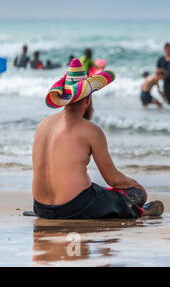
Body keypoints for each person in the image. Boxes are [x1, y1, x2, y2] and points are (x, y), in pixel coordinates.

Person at [33, 58, 163, 219]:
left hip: (40, 207)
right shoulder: (91, 130)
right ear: (87, 99)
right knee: (135, 194)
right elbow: (113, 179)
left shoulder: (43, 125)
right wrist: (136, 184)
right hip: (73, 206)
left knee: (98, 191)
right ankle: (138, 211)